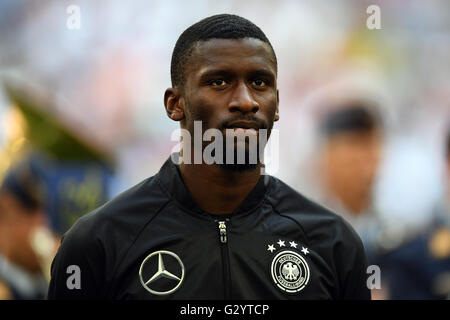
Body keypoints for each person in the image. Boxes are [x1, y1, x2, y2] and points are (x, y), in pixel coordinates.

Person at [48, 14, 370, 300]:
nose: (245, 101)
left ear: (278, 104)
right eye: (219, 82)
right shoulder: (98, 243)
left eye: (259, 82)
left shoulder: (333, 243)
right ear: (175, 104)